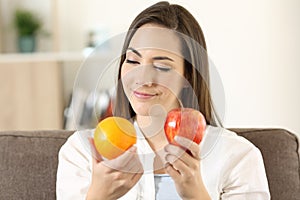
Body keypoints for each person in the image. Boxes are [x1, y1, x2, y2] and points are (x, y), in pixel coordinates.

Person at [56, 1, 270, 199]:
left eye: (162, 66)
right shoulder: (82, 152)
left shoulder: (238, 156)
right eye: (132, 60)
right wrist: (98, 196)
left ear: (188, 75)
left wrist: (197, 194)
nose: (142, 78)